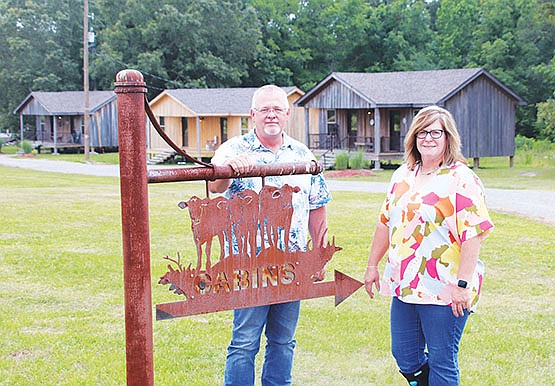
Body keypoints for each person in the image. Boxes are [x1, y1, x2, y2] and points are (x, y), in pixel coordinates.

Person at [208, 84, 331, 386]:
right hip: (249, 267)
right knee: (244, 342)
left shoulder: (303, 155)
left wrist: (319, 254)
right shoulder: (234, 150)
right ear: (252, 115)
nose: (271, 115)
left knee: (283, 341)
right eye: (265, 109)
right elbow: (214, 187)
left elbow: (317, 207)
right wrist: (226, 171)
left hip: (293, 265)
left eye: (277, 109)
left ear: (288, 114)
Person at [364, 106, 494, 386]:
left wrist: (462, 285)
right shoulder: (402, 175)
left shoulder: (461, 179)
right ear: (413, 137)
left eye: (436, 132)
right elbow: (384, 222)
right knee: (405, 355)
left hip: (445, 287)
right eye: (422, 132)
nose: (428, 138)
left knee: (442, 360)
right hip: (406, 283)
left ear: (448, 137)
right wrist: (372, 265)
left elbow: (473, 234)